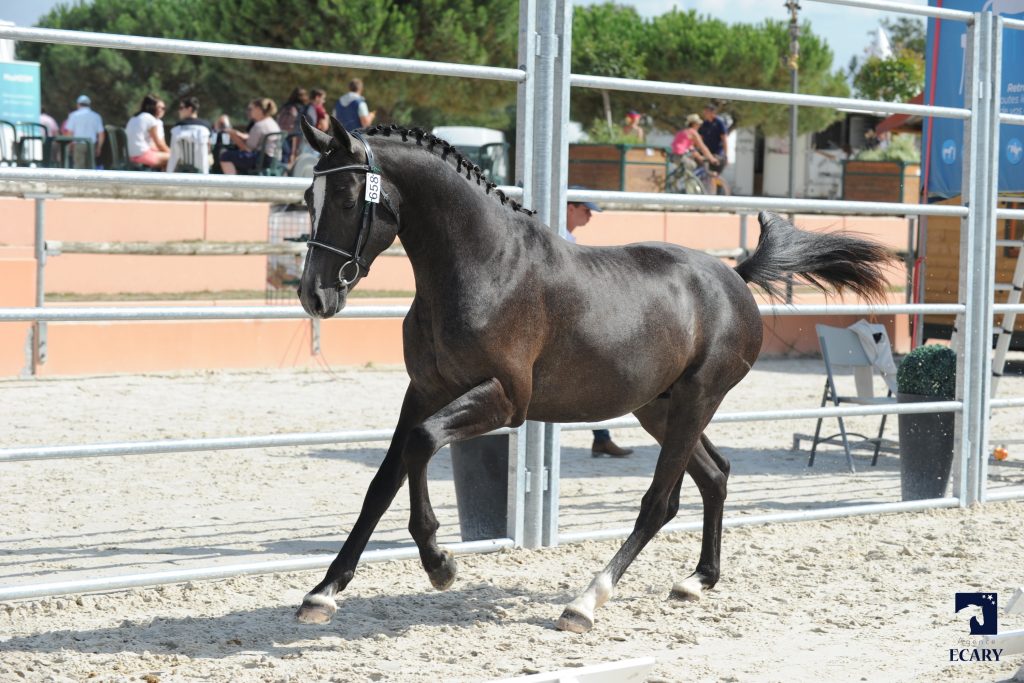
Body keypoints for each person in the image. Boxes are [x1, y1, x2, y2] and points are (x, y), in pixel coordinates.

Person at [564, 191, 634, 458]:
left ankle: (602, 437)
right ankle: (602, 438)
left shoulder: (567, 238)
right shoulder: (562, 238)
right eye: (586, 210)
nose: (590, 215)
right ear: (570, 208)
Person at [219, 97, 281, 175]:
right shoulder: (272, 122)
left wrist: (233, 136)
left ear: (259, 110)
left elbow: (248, 149)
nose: (249, 112)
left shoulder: (259, 125)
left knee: (226, 156)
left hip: (261, 160)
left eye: (251, 109)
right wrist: (240, 134)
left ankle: (232, 181)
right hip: (273, 159)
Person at [125, 93, 170, 170]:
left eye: (163, 108)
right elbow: (159, 144)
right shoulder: (150, 119)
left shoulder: (134, 118)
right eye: (158, 107)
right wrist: (173, 153)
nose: (160, 110)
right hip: (142, 156)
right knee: (173, 158)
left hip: (130, 156)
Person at [62, 94, 105, 166]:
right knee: (90, 168)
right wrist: (99, 147)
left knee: (79, 168)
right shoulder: (96, 116)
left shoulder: (73, 115)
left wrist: (70, 145)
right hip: (91, 145)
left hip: (78, 145)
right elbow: (101, 134)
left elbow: (69, 132)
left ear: (78, 104)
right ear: (89, 104)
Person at [277, 87, 308, 163]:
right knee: (292, 155)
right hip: (295, 133)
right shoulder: (302, 108)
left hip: (282, 131)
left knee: (284, 153)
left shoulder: (286, 105)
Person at [697, 103, 728, 172]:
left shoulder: (719, 123)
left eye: (706, 111)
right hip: (706, 152)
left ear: (712, 112)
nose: (704, 113)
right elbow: (699, 138)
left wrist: (725, 155)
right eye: (704, 111)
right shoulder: (704, 124)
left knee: (713, 173)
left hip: (717, 153)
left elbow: (724, 139)